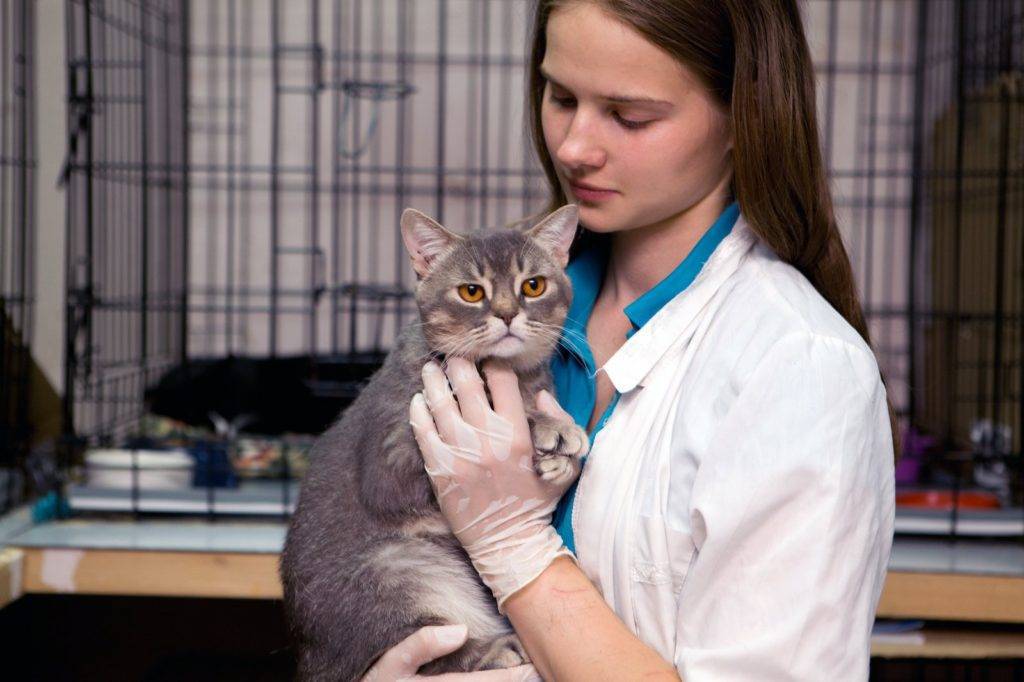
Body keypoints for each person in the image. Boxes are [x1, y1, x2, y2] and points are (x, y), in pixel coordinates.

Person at [366, 0, 897, 679]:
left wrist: (518, 549)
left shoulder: (799, 367)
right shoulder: (498, 307)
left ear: (742, 116)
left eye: (629, 115)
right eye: (561, 97)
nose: (572, 148)